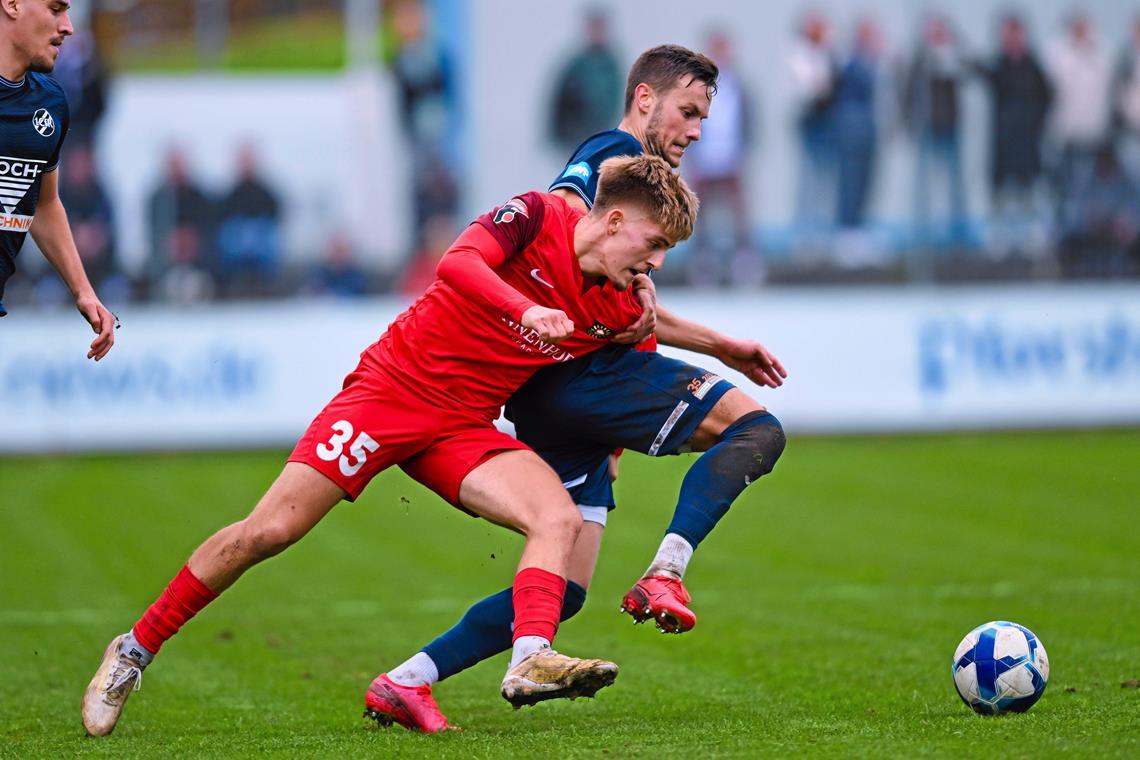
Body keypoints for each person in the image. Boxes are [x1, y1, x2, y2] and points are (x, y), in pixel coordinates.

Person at [81, 154, 700, 737]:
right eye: (654, 245)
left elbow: (628, 369)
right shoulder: (537, 213)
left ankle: (529, 659)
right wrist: (524, 309)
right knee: (267, 532)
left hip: (462, 427)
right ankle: (134, 649)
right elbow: (455, 263)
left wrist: (621, 436)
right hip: (389, 395)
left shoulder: (623, 300)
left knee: (556, 518)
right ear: (614, 220)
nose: (656, 264)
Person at [366, 45, 788, 733]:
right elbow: (567, 236)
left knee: (562, 590)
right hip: (578, 374)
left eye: (704, 119)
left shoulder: (641, 190)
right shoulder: (612, 150)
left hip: (554, 389)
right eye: (687, 112)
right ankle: (667, 573)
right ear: (645, 100)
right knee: (757, 429)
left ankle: (407, 680)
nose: (694, 132)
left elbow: (619, 300)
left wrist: (718, 343)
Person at [0, 0, 115, 360]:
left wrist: (83, 291)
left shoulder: (49, 104)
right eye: (55, 9)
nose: (68, 26)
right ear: (13, 4)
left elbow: (45, 204)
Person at [548, 8, 623, 155]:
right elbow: (560, 99)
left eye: (599, 27)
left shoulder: (611, 65)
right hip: (575, 138)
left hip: (602, 136)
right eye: (593, 27)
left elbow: (617, 101)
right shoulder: (577, 63)